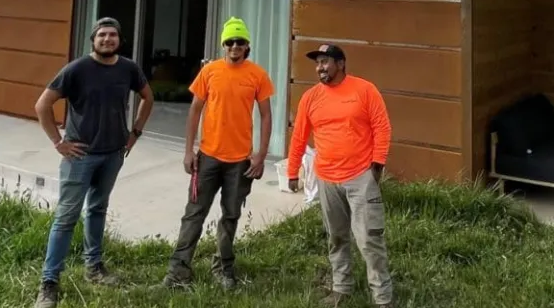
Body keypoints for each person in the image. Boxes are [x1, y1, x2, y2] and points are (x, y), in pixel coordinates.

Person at [32, 17, 154, 308]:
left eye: (112, 35)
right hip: (81, 156)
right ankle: (49, 283)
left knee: (98, 208)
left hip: (114, 154)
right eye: (102, 35)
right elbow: (42, 104)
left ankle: (94, 267)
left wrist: (135, 132)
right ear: (93, 40)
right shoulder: (77, 70)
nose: (107, 39)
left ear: (119, 40)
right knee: (66, 218)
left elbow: (148, 98)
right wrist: (58, 142)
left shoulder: (128, 68)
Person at [161, 16, 274, 290]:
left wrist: (260, 156)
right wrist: (189, 151)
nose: (234, 46)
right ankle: (178, 271)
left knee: (230, 215)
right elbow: (194, 110)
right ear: (224, 44)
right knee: (194, 213)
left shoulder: (257, 74)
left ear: (247, 46)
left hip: (240, 162)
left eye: (240, 41)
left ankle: (223, 268)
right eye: (230, 41)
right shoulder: (210, 71)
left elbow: (266, 115)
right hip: (208, 157)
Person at [287, 44, 395, 308]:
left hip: (360, 176)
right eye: (318, 63)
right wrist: (292, 171)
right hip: (326, 179)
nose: (320, 67)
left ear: (341, 64)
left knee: (369, 239)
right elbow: (299, 136)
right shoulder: (310, 98)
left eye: (325, 62)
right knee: (336, 238)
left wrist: (377, 164)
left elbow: (382, 127)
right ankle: (341, 288)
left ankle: (383, 298)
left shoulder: (365, 90)